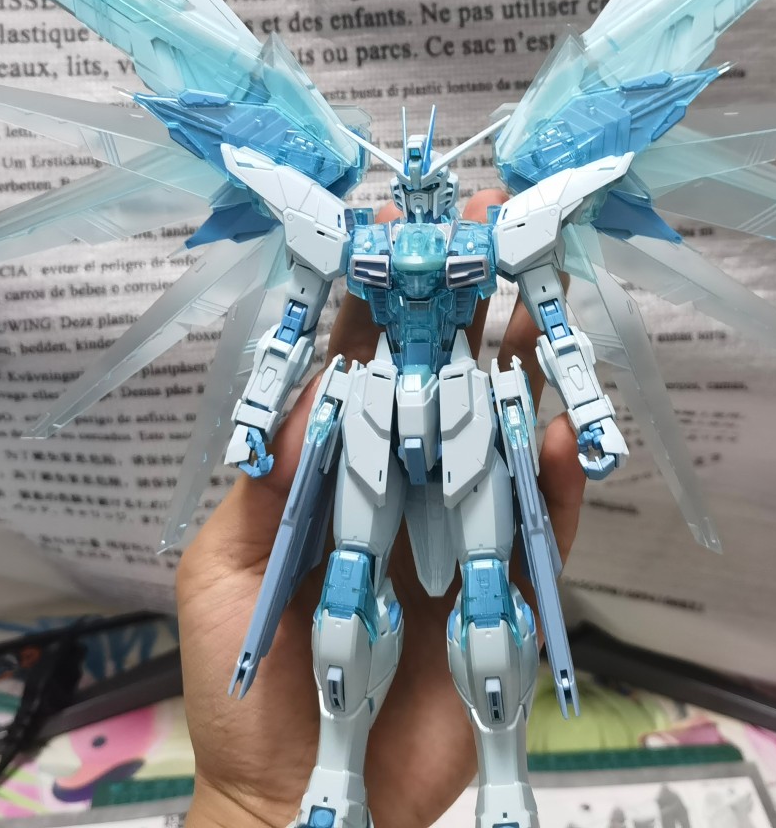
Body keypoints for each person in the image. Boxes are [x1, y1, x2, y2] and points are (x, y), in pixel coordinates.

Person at [175, 191, 589, 828]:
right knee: (346, 592)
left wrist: (590, 409)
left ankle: (506, 790)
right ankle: (333, 786)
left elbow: (553, 320)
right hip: (376, 404)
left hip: (464, 404)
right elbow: (294, 320)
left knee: (488, 596)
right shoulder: (364, 242)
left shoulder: (479, 241)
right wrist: (256, 413)